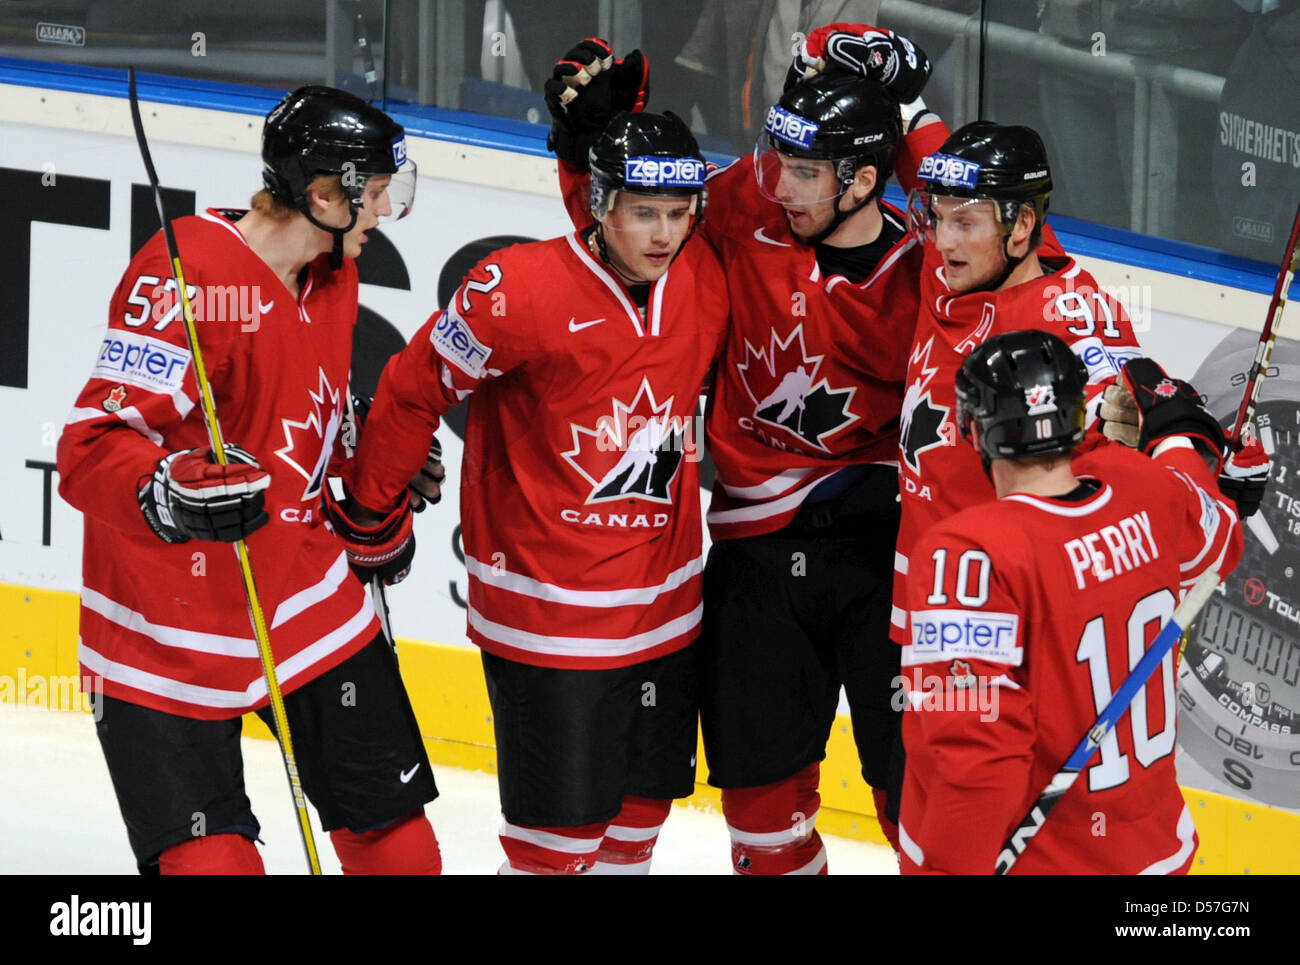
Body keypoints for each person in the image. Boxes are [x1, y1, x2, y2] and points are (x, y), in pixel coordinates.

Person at [545, 27, 946, 872]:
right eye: (779, 159)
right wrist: (584, 151)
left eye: (806, 171)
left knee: (918, 796)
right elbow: (625, 241)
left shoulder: (930, 273)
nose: (778, 183)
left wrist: (915, 119)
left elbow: (1009, 245)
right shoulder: (744, 212)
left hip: (889, 554)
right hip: (757, 553)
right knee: (762, 811)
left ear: (867, 179)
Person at [56, 86, 441, 875]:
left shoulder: (333, 274)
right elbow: (89, 447)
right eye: (372, 196)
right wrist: (167, 489)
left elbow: (289, 412)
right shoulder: (184, 279)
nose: (382, 215)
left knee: (402, 856)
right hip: (166, 626)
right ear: (325, 194)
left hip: (302, 598)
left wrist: (357, 451)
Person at [339, 111, 728, 875]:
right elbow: (414, 388)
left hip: (668, 611)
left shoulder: (705, 274)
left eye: (678, 214)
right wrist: (369, 510)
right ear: (599, 204)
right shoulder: (514, 289)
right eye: (643, 213)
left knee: (638, 823)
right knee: (558, 849)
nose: (662, 234)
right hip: (551, 620)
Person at [899, 330, 1246, 874]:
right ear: (1079, 417)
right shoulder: (1146, 487)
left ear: (974, 431)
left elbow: (977, 756)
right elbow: (1219, 535)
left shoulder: (968, 555)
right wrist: (1178, 434)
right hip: (1156, 856)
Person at [894, 120, 1147, 653]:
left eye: (963, 223)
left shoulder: (1069, 313)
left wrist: (1147, 423)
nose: (941, 242)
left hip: (996, 617)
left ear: (1021, 225)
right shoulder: (957, 266)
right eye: (938, 219)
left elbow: (1130, 402)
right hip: (919, 591)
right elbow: (918, 131)